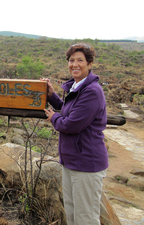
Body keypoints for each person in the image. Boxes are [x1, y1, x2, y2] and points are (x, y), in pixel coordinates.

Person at [41, 43, 108, 225]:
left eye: (80, 60)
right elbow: (69, 111)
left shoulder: (92, 91)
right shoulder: (77, 86)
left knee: (85, 218)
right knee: (71, 214)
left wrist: (54, 118)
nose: (75, 64)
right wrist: (52, 95)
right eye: (71, 60)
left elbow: (71, 124)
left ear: (90, 63)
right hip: (71, 161)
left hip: (86, 163)